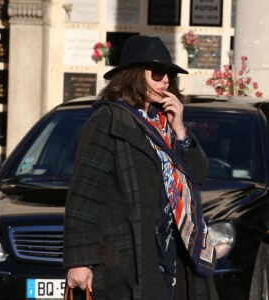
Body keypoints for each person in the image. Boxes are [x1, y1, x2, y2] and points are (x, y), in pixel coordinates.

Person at [63, 35, 218, 300]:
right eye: (158, 73)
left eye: (169, 74)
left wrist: (180, 130)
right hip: (127, 259)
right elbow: (84, 195)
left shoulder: (166, 124)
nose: (166, 80)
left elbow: (200, 175)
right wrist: (80, 261)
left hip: (172, 255)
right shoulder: (108, 120)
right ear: (134, 74)